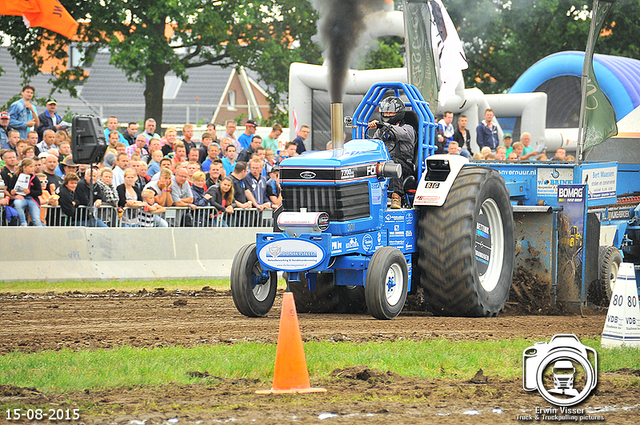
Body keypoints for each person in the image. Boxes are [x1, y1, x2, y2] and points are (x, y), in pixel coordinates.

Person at [367, 96, 415, 209]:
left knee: (392, 164)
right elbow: (375, 144)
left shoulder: (408, 128)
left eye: (391, 112)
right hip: (383, 163)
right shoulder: (380, 130)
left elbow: (401, 133)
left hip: (404, 165)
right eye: (385, 112)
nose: (387, 115)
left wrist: (383, 126)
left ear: (398, 113)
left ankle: (396, 196)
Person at [8, 158, 43, 226]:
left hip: (32, 198)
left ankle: (40, 231)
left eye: (33, 166)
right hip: (21, 197)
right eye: (30, 166)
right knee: (17, 203)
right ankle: (23, 222)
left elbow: (39, 192)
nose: (33, 168)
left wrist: (30, 192)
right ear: (24, 167)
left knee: (36, 219)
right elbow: (10, 188)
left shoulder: (35, 178)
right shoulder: (16, 176)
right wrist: (12, 191)